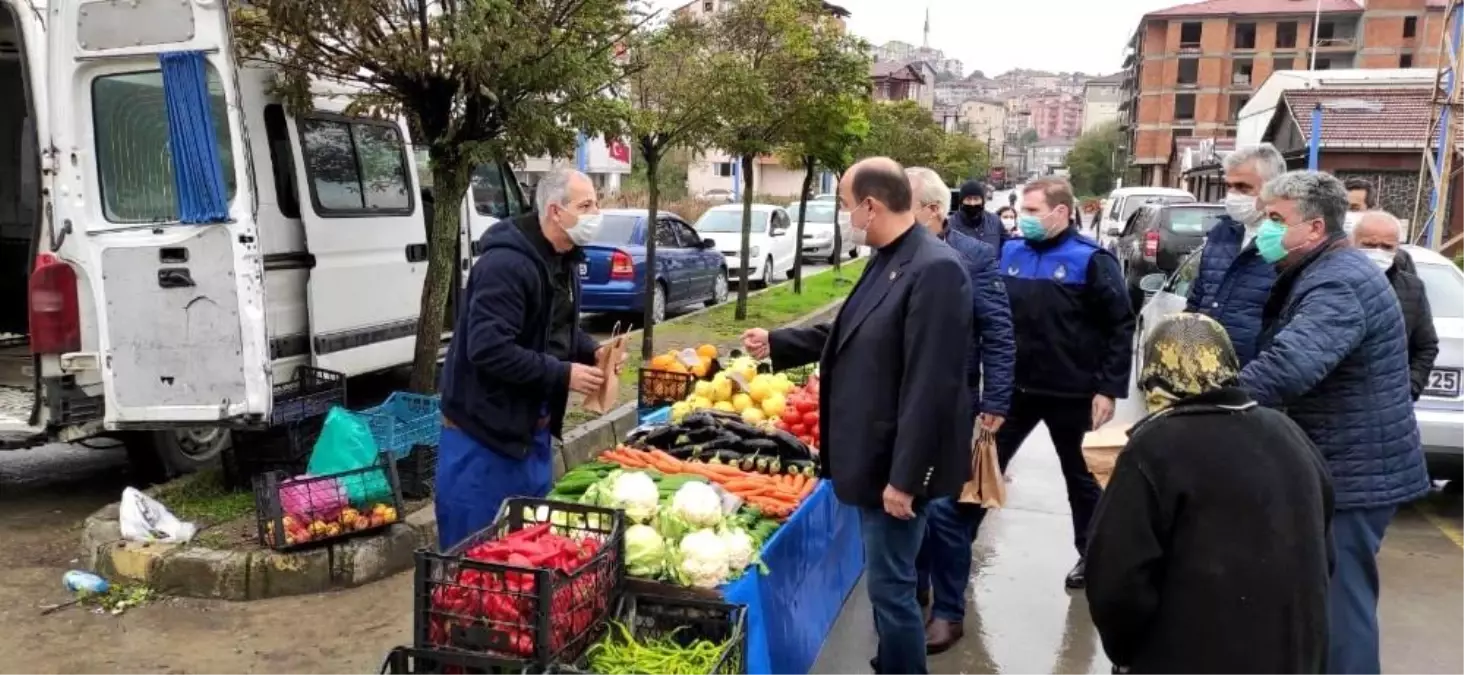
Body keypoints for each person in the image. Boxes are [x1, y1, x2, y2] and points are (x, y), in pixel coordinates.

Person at [742, 157, 973, 675]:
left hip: (895, 469)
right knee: (888, 589)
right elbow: (853, 330)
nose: (846, 216)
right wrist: (777, 342)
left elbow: (930, 387)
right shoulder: (890, 256)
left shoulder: (935, 269)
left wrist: (905, 480)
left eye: (847, 206)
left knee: (892, 595)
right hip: (871, 460)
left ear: (871, 207)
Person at [1240, 170, 1430, 675]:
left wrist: (1216, 398)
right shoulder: (1324, 270)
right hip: (1345, 462)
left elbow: (1290, 365)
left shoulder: (1339, 282)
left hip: (1353, 474)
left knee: (1340, 607)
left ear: (1316, 228)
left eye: (1276, 219)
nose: (1265, 228)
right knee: (1321, 601)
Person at [1086, 313, 1333, 675]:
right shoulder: (1289, 433)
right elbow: (1324, 554)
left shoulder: (1155, 447)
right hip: (1294, 657)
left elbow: (1116, 579)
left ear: (1152, 380)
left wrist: (1126, 652)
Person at [436, 168, 621, 550]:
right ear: (556, 211)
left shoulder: (563, 259)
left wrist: (591, 350)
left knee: (525, 559)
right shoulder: (505, 265)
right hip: (482, 442)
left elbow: (555, 329)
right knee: (473, 563)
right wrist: (563, 374)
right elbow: (488, 348)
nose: (595, 214)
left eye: (596, 204)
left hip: (529, 438)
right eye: (586, 205)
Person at [997, 176, 1135, 589]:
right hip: (1015, 391)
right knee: (982, 470)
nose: (1025, 218)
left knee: (1082, 480)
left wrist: (1108, 388)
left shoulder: (1091, 260)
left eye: (1033, 211)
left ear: (1061, 212)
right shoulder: (1010, 253)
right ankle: (952, 552)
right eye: (1023, 210)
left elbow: (1120, 324)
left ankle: (1092, 559)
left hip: (1072, 393)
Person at [905, 167, 1016, 653]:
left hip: (955, 402)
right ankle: (917, 588)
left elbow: (998, 331)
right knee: (910, 503)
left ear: (932, 209)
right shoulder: (895, 251)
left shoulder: (974, 257)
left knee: (947, 511)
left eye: (903, 204)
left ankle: (948, 613)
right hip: (905, 402)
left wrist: (995, 401)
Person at [1184, 143, 1286, 366]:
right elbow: (1199, 297)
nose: (1232, 195)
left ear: (1273, 188)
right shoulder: (1222, 233)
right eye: (1228, 186)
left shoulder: (1288, 243)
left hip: (1257, 377)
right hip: (1205, 369)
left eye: (1243, 187)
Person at [1352, 211, 1438, 401]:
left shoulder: (1412, 288)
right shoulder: (1332, 282)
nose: (1378, 251)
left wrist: (1409, 389)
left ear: (1397, 248)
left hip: (1390, 405)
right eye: (1369, 245)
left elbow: (1426, 346)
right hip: (1337, 405)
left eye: (1386, 246)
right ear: (1353, 242)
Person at [947, 180, 1005, 250]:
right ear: (961, 202)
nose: (972, 203)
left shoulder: (995, 221)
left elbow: (1005, 246)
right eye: (968, 199)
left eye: (976, 199)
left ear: (982, 201)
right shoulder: (951, 224)